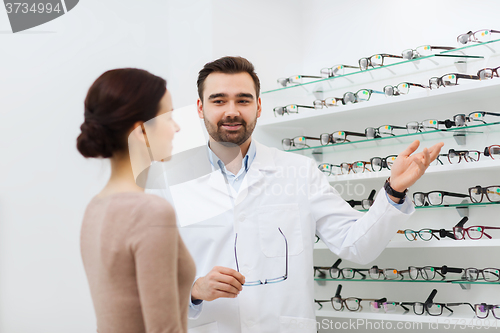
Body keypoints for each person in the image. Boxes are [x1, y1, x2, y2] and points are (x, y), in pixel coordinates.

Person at [147, 57, 444, 333]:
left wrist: (394, 190)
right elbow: (149, 277)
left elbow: (357, 246)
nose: (232, 111)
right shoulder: (168, 180)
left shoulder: (299, 171)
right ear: (200, 108)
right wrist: (195, 290)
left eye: (243, 100)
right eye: (219, 100)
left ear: (259, 106)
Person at [77, 68, 195, 333]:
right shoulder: (150, 212)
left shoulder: (94, 208)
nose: (176, 127)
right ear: (141, 131)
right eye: (169, 116)